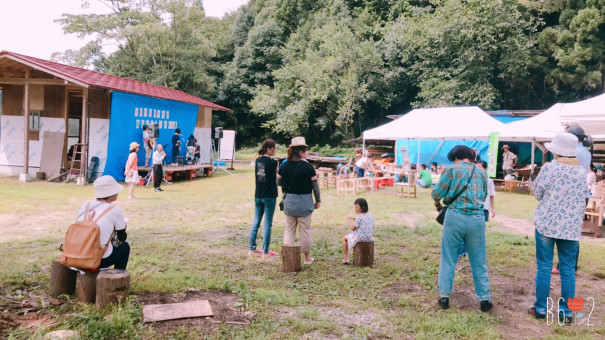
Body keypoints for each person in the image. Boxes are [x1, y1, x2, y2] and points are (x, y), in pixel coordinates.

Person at [529, 132, 588, 324]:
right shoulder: (583, 172)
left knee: (544, 267)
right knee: (568, 269)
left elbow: (537, 193)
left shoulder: (549, 169)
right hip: (571, 228)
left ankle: (540, 309)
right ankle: (567, 312)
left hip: (547, 223)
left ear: (557, 151)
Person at [432, 145, 492, 312]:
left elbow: (437, 194)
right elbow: (484, 194)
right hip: (477, 219)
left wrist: (438, 202)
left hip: (455, 217)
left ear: (456, 157)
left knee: (449, 256)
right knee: (479, 259)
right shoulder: (481, 172)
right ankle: (485, 298)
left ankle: (444, 296)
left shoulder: (451, 170)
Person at [278, 136, 321, 265]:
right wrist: (318, 200)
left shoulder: (284, 166)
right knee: (305, 231)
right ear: (301, 152)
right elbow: (315, 187)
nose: (307, 153)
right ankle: (307, 258)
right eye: (306, 151)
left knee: (289, 229)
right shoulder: (308, 167)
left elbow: (278, 182)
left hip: (289, 203)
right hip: (305, 204)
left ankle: (289, 258)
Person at [75, 175, 130, 269]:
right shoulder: (115, 210)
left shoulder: (86, 206)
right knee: (124, 247)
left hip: (75, 256)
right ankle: (118, 275)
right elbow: (122, 238)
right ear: (111, 193)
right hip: (97, 260)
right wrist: (122, 228)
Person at [249, 139, 279, 258]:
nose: (276, 150)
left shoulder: (257, 161)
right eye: (274, 148)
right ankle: (265, 251)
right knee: (267, 223)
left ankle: (252, 248)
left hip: (258, 195)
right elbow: (278, 173)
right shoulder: (273, 162)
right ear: (269, 149)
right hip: (270, 196)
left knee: (256, 222)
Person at [342, 198, 374, 264]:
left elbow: (353, 228)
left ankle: (346, 257)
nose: (355, 209)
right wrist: (355, 219)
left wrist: (349, 221)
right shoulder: (370, 215)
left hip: (360, 238)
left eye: (356, 207)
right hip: (369, 238)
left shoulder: (359, 217)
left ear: (362, 207)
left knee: (344, 238)